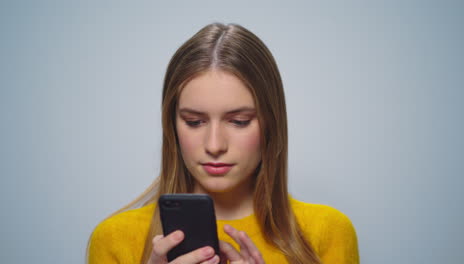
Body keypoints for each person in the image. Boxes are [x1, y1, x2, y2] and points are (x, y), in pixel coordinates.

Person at [87, 23, 359, 264]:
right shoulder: (114, 239)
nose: (215, 145)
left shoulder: (327, 232)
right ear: (172, 126)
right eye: (194, 122)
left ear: (271, 124)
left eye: (239, 121)